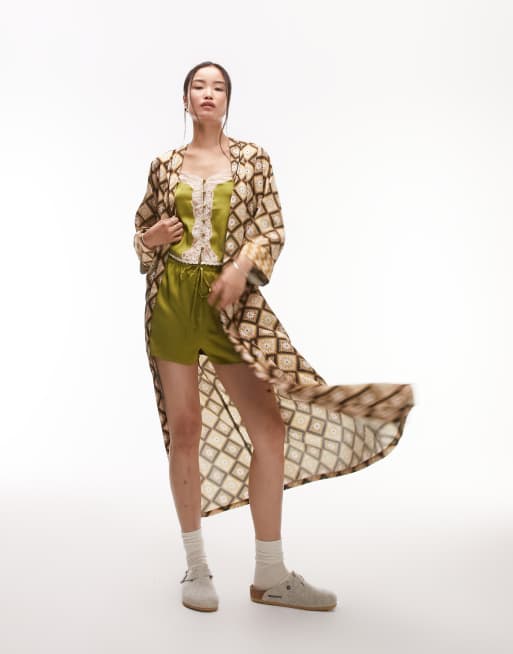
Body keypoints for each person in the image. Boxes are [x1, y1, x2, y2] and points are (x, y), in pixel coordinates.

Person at [133, 61, 414, 613]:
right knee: (184, 428)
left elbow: (271, 228)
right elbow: (141, 232)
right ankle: (196, 567)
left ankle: (270, 573)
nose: (208, 93)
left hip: (229, 306)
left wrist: (242, 268)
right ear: (185, 99)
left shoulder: (253, 159)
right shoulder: (164, 165)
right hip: (171, 301)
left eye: (218, 87)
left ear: (228, 100)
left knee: (269, 427)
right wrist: (150, 238)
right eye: (198, 86)